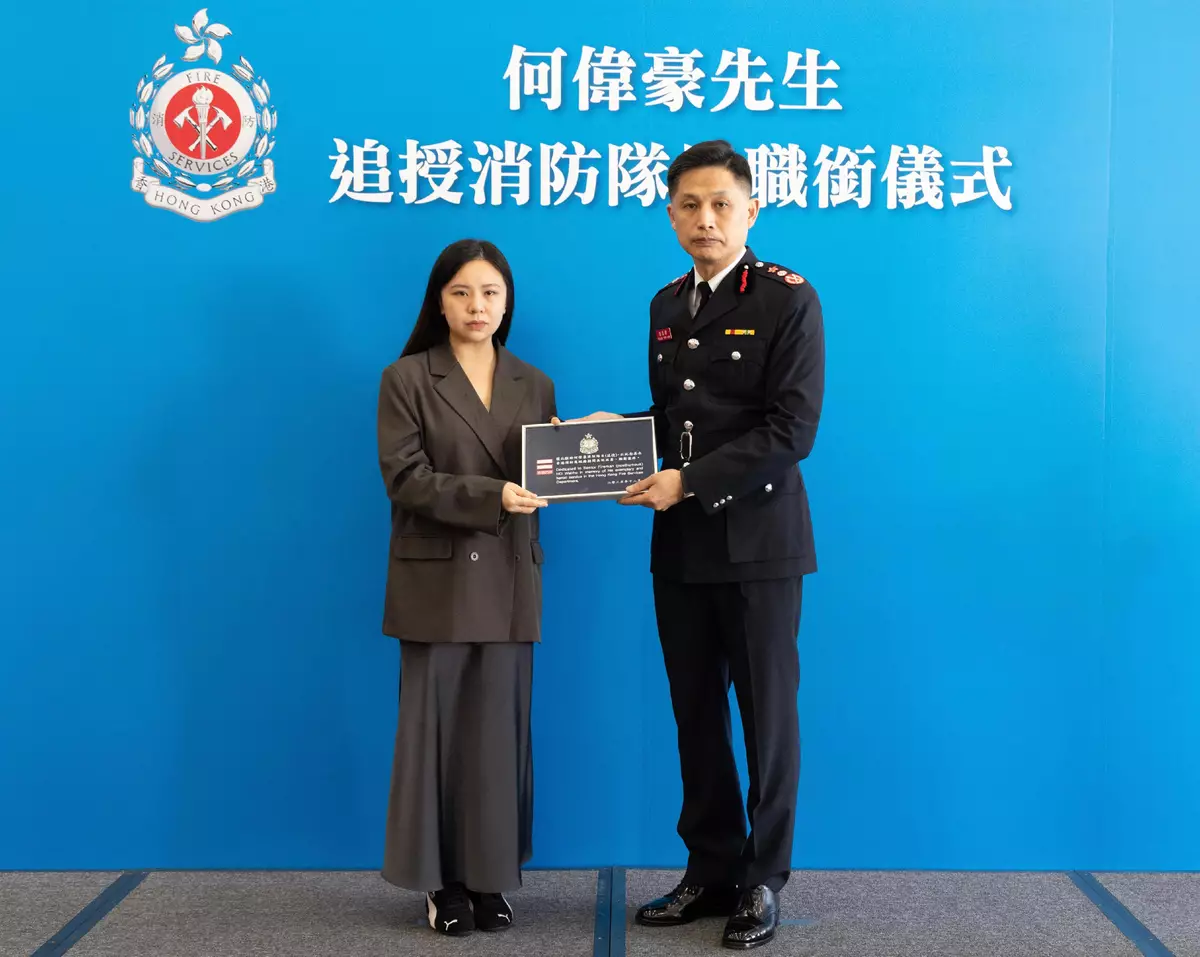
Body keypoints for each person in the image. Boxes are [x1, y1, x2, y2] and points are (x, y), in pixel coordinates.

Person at [562, 140, 825, 949]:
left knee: (767, 718)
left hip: (759, 542)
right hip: (681, 544)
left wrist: (687, 480)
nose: (704, 218)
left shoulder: (787, 298)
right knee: (695, 714)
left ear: (751, 210)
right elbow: (675, 421)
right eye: (689, 204)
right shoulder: (667, 303)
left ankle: (763, 879)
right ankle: (710, 868)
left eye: (720, 204)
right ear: (670, 213)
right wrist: (611, 434)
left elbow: (791, 429)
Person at [375, 238, 556, 937]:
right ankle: (441, 883)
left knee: (497, 736)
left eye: (490, 293)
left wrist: (582, 451)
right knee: (435, 736)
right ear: (439, 301)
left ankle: (489, 876)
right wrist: (493, 496)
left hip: (509, 577)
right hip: (438, 580)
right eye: (461, 292)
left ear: (507, 303)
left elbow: (547, 470)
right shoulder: (407, 378)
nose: (477, 306)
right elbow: (405, 478)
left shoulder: (534, 382)